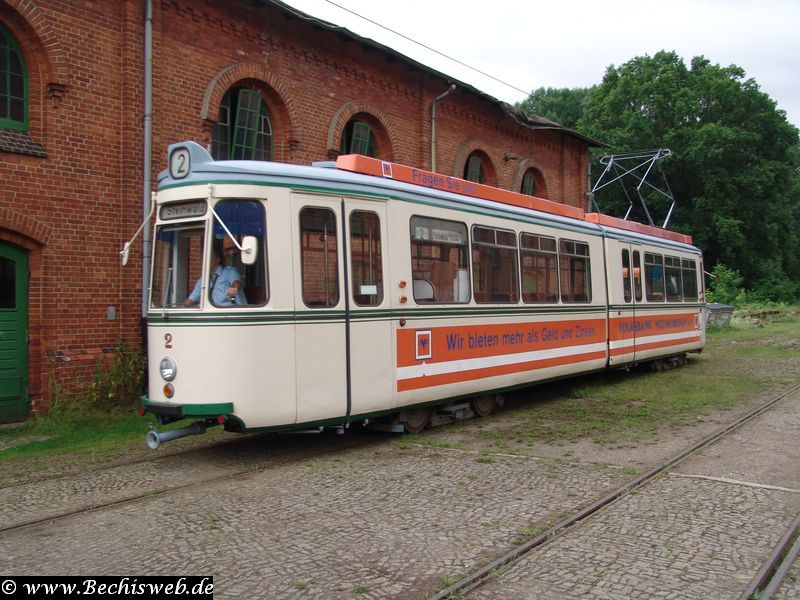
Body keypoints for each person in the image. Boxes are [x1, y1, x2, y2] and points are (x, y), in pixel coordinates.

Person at [184, 241, 247, 306]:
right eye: (202, 258)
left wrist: (234, 288)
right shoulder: (203, 280)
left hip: (233, 310)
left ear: (217, 260)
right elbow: (191, 299)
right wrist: (184, 305)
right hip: (213, 311)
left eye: (207, 257)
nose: (203, 261)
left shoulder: (229, 272)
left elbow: (236, 283)